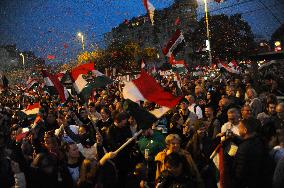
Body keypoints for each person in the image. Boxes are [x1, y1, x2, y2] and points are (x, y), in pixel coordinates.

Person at [232, 117, 273, 188]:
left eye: (239, 128)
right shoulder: (259, 141)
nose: (238, 130)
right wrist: (234, 138)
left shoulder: (244, 147)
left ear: (245, 130)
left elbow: (240, 172)